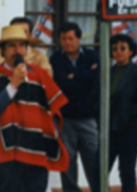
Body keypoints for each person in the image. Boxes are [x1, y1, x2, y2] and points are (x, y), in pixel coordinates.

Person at [0, 25, 70, 191]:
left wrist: (48, 138)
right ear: (2, 51)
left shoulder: (40, 75)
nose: (18, 50)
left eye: (22, 45)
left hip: (36, 151)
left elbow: (55, 110)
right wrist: (13, 84)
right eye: (11, 46)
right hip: (7, 154)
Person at [50, 21, 101, 192]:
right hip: (66, 119)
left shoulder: (92, 56)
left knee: (94, 161)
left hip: (88, 119)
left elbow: (97, 81)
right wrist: (84, 76)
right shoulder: (56, 59)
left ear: (79, 39)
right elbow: (61, 84)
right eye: (63, 39)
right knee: (67, 163)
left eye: (71, 38)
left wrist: (74, 77)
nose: (67, 42)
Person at [105, 34, 137, 192]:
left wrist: (132, 113)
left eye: (123, 48)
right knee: (99, 170)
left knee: (126, 171)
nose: (118, 52)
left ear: (131, 51)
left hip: (130, 130)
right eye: (114, 49)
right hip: (109, 130)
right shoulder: (107, 72)